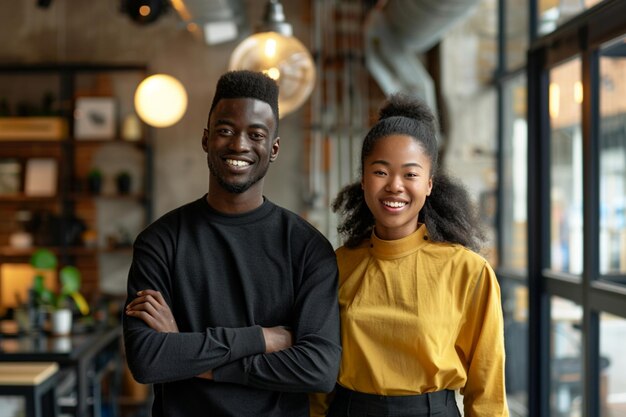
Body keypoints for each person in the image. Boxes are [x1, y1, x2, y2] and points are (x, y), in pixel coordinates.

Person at [123, 70, 342, 417]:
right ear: (206, 139)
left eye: (255, 134)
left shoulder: (306, 247)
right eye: (226, 130)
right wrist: (262, 339)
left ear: (273, 149)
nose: (239, 144)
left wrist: (190, 356)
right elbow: (148, 360)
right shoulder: (160, 242)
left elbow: (319, 368)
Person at [310, 94, 509, 416]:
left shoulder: (468, 271)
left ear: (429, 184)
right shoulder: (337, 265)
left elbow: (487, 390)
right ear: (363, 180)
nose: (395, 186)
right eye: (381, 172)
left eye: (411, 174)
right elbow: (316, 380)